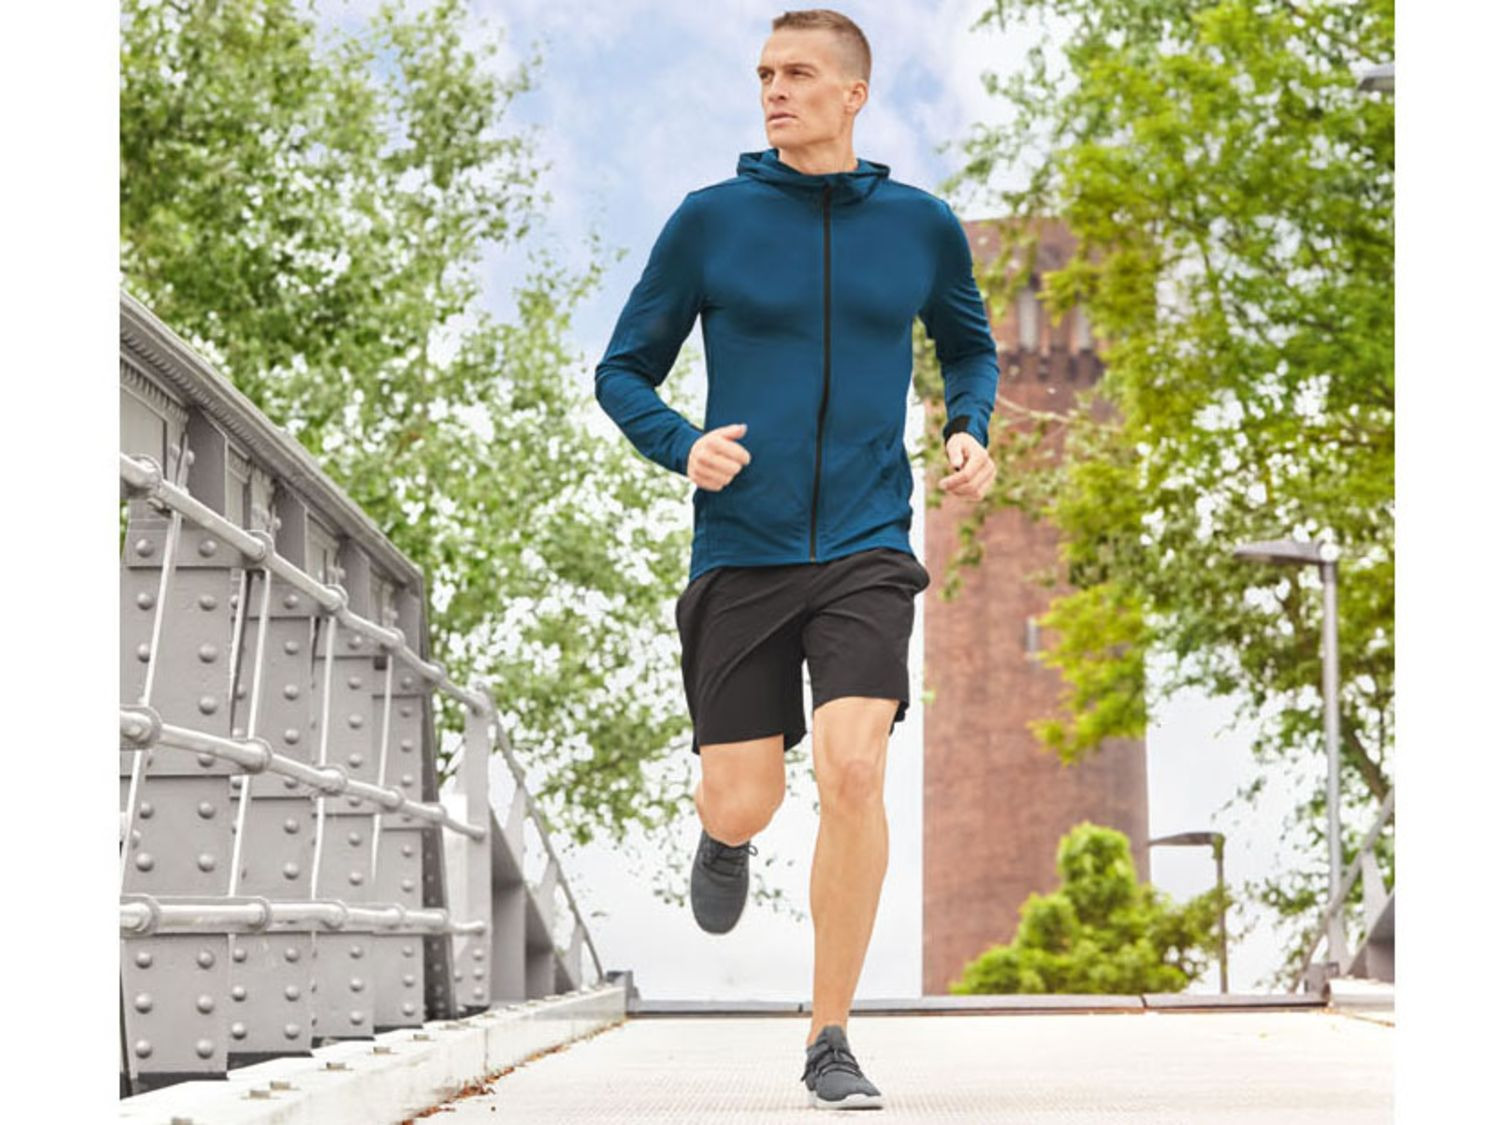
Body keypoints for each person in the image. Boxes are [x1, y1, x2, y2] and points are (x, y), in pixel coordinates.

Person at [593, 7, 997, 1112]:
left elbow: (968, 344)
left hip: (868, 542)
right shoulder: (709, 222)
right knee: (746, 799)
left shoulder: (920, 227)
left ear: (853, 94)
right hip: (744, 546)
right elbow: (622, 369)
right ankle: (722, 837)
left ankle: (829, 1036)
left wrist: (971, 426)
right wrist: (682, 445)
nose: (775, 90)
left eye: (799, 74)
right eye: (766, 74)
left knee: (855, 768)